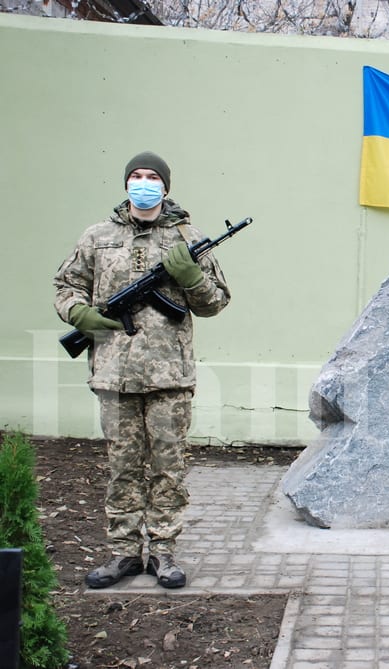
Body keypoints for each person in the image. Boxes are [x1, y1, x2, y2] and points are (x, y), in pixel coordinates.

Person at [54, 151, 231, 589]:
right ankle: (124, 554)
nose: (144, 182)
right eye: (137, 176)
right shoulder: (97, 237)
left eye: (153, 176)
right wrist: (79, 314)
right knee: (123, 467)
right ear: (126, 184)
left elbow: (216, 302)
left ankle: (165, 554)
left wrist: (190, 277)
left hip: (170, 376)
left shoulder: (188, 237)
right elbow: (66, 284)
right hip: (115, 374)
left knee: (168, 468)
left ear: (166, 187)